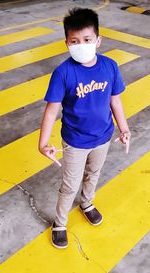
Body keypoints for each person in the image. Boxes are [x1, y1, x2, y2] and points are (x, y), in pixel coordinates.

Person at [39, 8, 131, 249]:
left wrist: (124, 128)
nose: (81, 45)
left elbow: (115, 101)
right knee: (70, 184)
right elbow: (51, 110)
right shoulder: (63, 73)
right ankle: (60, 223)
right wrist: (43, 142)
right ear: (67, 43)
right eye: (75, 41)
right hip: (75, 141)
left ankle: (87, 203)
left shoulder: (110, 67)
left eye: (87, 40)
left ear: (98, 40)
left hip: (103, 137)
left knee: (93, 175)